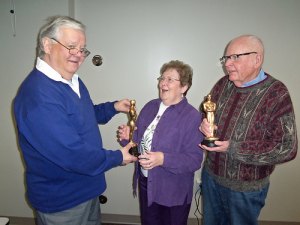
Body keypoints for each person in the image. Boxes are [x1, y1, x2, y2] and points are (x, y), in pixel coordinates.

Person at [13, 16, 137, 225]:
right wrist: (117, 157)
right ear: (47, 45)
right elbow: (71, 153)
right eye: (71, 47)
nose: (78, 55)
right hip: (63, 202)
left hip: (87, 189)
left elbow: (84, 115)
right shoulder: (37, 96)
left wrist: (113, 107)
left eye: (82, 49)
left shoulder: (72, 81)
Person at [199, 34, 298, 225]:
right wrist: (203, 122)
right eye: (226, 58)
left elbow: (287, 148)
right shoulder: (223, 84)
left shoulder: (277, 93)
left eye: (235, 57)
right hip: (211, 177)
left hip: (245, 190)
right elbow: (205, 110)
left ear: (257, 59)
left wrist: (233, 148)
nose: (227, 64)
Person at [118, 60, 204, 225]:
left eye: (170, 79)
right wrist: (127, 139)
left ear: (184, 87)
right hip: (147, 183)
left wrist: (162, 159)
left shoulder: (192, 117)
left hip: (173, 190)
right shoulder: (150, 106)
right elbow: (138, 146)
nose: (163, 83)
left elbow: (194, 160)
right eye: (162, 78)